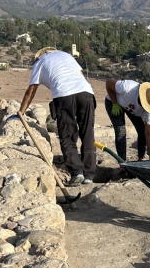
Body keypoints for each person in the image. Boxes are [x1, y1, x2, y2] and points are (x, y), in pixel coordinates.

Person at [19, 47, 96, 186]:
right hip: (86, 92)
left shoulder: (39, 63)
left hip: (64, 94)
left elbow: (30, 92)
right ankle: (89, 175)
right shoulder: (67, 56)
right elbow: (81, 75)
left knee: (67, 135)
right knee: (88, 133)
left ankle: (77, 171)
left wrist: (21, 112)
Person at [104, 79, 150, 161]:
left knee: (142, 130)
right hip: (114, 101)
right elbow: (108, 83)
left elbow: (148, 133)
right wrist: (114, 103)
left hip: (131, 108)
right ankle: (122, 163)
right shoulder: (127, 88)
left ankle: (141, 158)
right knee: (121, 131)